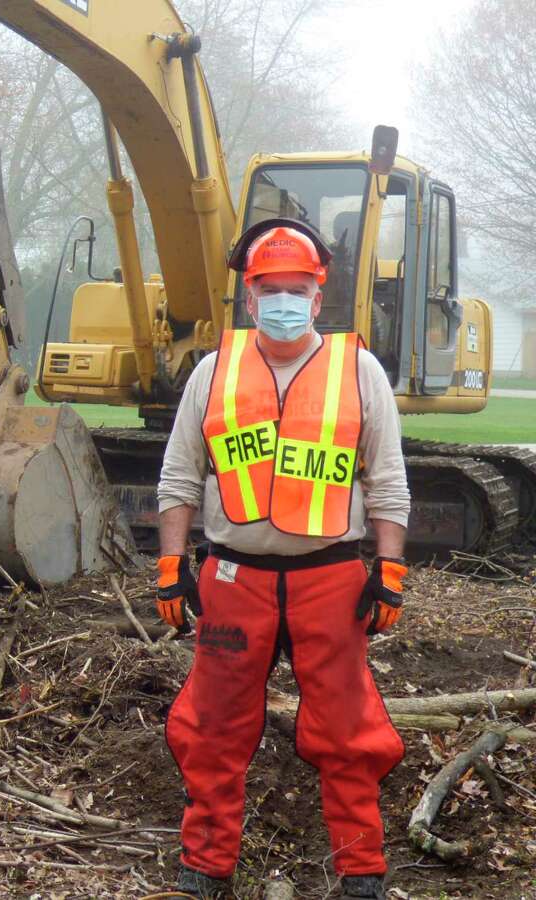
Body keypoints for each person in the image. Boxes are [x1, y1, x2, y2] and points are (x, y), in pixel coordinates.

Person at [155, 220, 410, 900]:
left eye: (297, 290)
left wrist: (389, 569)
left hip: (331, 578)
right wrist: (171, 563)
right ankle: (206, 867)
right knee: (212, 727)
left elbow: (387, 482)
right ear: (249, 296)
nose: (284, 302)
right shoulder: (215, 370)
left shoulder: (359, 372)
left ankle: (361, 870)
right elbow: (179, 477)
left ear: (318, 296)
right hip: (234, 577)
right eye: (271, 290)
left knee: (348, 731)